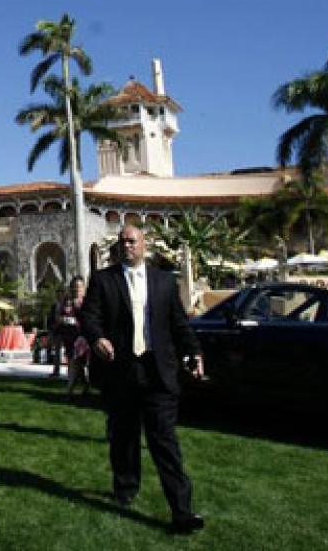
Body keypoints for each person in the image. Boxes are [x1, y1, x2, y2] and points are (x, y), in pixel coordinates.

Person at [80, 225, 206, 534]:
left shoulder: (164, 281)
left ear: (144, 245)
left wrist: (193, 352)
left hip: (158, 372)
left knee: (165, 441)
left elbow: (179, 323)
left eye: (132, 241)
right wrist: (97, 338)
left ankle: (181, 511)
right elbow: (89, 316)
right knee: (124, 436)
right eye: (122, 241)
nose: (126, 246)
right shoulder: (103, 280)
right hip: (122, 370)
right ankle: (125, 487)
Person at [54, 275, 90, 396]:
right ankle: (85, 386)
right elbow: (57, 317)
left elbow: (90, 319)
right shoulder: (66, 301)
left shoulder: (87, 301)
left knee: (76, 362)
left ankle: (69, 389)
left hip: (83, 337)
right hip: (69, 336)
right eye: (74, 286)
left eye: (79, 286)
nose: (77, 289)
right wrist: (63, 319)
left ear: (84, 287)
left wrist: (75, 321)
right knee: (75, 362)